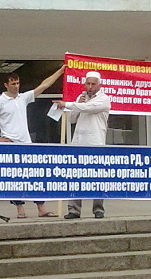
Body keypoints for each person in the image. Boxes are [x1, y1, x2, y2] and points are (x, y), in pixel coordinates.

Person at [0, 66, 65, 218]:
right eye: (13, 83)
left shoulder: (23, 98)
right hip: (10, 143)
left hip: (26, 143)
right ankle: (20, 209)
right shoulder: (0, 101)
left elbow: (44, 85)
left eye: (18, 83)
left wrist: (60, 72)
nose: (16, 86)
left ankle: (41, 208)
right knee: (14, 177)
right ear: (6, 85)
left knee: (33, 175)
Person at [53, 71, 111, 219]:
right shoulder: (81, 98)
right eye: (88, 83)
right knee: (75, 176)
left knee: (97, 177)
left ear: (99, 84)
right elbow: (72, 118)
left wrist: (70, 104)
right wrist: (79, 103)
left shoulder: (104, 99)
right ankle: (74, 210)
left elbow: (89, 108)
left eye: (93, 84)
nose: (90, 87)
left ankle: (98, 209)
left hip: (95, 142)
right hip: (78, 141)